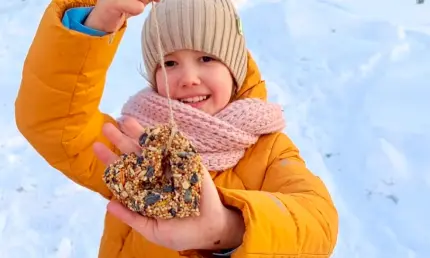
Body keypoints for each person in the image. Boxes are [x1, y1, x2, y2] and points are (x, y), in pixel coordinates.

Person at [14, 0, 339, 257]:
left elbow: (318, 222)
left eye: (207, 59)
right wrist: (95, 25)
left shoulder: (267, 150)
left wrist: (227, 228)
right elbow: (55, 122)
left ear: (235, 68)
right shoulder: (137, 149)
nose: (188, 78)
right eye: (169, 63)